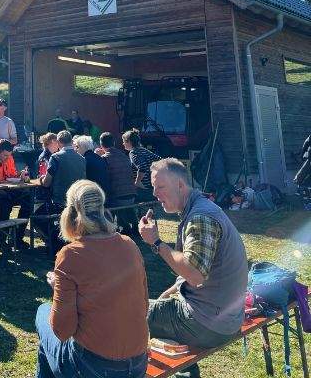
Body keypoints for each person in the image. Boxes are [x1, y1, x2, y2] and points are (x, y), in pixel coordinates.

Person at [139, 158, 248, 378]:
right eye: (153, 187)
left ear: (180, 185)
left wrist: (156, 242)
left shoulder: (200, 217)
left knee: (131, 312)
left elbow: (195, 274)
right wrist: (169, 292)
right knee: (156, 308)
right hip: (226, 317)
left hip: (209, 324)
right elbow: (198, 269)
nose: (155, 193)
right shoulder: (199, 209)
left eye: (160, 187)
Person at [35, 179, 149, 378]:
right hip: (138, 364)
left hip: (93, 368)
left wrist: (59, 289)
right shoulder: (130, 245)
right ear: (103, 209)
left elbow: (62, 331)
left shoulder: (70, 255)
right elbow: (144, 306)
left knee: (42, 312)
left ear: (70, 213)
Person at [37, 130, 86, 255]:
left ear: (58, 142)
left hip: (59, 201)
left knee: (37, 217)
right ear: (71, 141)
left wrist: (41, 179)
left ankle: (54, 244)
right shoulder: (82, 159)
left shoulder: (56, 157)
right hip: (76, 200)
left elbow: (47, 182)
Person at [0, 139, 30, 250]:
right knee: (5, 203)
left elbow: (12, 175)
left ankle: (17, 237)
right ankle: (0, 241)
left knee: (28, 199)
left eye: (9, 155)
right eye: (5, 155)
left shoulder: (10, 158)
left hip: (8, 190)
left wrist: (20, 176)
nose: (7, 158)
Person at [99, 131, 138, 236]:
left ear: (101, 145)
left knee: (108, 201)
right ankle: (135, 226)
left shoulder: (104, 159)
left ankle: (124, 227)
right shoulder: (124, 155)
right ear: (114, 143)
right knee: (125, 202)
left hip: (118, 198)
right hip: (132, 195)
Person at [122, 128, 159, 201]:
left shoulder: (133, 153)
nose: (123, 144)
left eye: (123, 141)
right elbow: (161, 161)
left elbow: (142, 168)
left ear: (128, 142)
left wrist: (137, 182)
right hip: (152, 189)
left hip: (142, 191)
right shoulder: (144, 150)